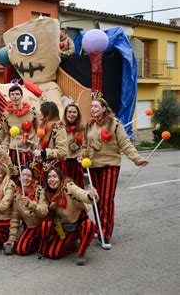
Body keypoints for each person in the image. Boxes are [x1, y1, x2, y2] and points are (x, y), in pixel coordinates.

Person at [84, 98, 148, 247]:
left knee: (106, 200)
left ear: (104, 108)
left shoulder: (115, 124)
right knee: (96, 199)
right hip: (93, 165)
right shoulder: (89, 125)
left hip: (110, 165)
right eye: (91, 106)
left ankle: (105, 233)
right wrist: (83, 154)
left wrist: (137, 159)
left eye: (95, 106)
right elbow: (84, 145)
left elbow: (125, 143)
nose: (92, 108)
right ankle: (99, 227)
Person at [37, 167, 98, 265]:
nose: (51, 180)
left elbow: (81, 194)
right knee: (53, 254)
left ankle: (82, 251)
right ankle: (72, 244)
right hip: (64, 226)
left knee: (89, 225)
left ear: (60, 178)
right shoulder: (45, 192)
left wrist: (90, 195)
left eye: (54, 176)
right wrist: (30, 205)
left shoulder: (69, 186)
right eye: (49, 177)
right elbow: (41, 209)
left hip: (79, 222)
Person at [4, 167, 48, 256]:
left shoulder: (40, 191)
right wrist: (11, 238)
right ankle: (35, 241)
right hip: (30, 226)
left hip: (42, 225)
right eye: (23, 175)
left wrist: (30, 204)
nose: (25, 178)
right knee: (21, 250)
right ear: (19, 177)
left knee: (23, 249)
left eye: (29, 176)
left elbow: (44, 211)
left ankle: (43, 242)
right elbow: (15, 217)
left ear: (33, 178)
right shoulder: (17, 194)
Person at [2, 84, 39, 166]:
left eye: (17, 94)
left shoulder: (32, 112)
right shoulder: (6, 115)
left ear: (22, 96)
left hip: (29, 149)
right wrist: (3, 147)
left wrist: (36, 145)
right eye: (12, 95)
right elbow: (6, 134)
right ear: (9, 97)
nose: (15, 97)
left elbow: (38, 130)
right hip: (14, 150)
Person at [33, 101, 68, 182]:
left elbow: (63, 152)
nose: (39, 113)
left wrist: (43, 153)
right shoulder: (42, 127)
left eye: (41, 111)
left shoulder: (59, 128)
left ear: (47, 112)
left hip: (55, 168)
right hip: (43, 166)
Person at [63, 103, 85, 188]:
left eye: (74, 112)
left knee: (78, 187)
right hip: (63, 162)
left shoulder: (83, 129)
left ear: (78, 114)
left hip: (77, 162)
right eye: (69, 112)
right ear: (65, 114)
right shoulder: (60, 128)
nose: (71, 114)